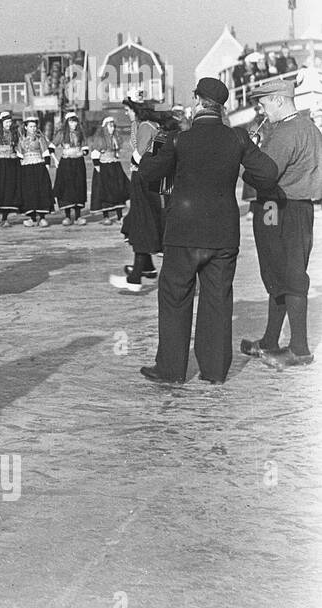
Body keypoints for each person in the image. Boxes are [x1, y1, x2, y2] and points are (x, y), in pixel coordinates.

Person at [133, 79, 278, 384]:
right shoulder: (237, 138)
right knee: (217, 298)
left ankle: (171, 370)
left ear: (198, 100)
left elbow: (148, 173)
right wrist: (241, 163)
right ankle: (214, 371)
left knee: (175, 297)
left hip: (183, 232)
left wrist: (156, 144)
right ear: (221, 106)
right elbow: (267, 173)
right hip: (223, 234)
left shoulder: (177, 140)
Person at [240, 75, 322, 369]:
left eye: (264, 104)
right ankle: (270, 340)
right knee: (277, 270)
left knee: (290, 274)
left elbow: (262, 175)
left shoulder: (289, 131)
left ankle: (299, 348)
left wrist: (247, 154)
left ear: (278, 100)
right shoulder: (300, 126)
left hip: (283, 207)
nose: (262, 111)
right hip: (278, 206)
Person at [111, 99, 170, 291]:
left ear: (136, 110)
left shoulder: (145, 126)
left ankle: (136, 277)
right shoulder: (156, 126)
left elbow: (138, 155)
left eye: (128, 110)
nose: (126, 114)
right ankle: (147, 268)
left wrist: (135, 159)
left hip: (142, 178)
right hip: (153, 179)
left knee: (141, 223)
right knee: (143, 222)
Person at [90, 114, 128, 224]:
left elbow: (117, 151)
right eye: (110, 126)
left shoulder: (115, 138)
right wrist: (98, 167)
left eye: (113, 126)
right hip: (103, 167)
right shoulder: (100, 139)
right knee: (105, 191)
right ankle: (106, 216)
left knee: (118, 189)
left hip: (115, 165)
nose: (112, 129)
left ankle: (119, 215)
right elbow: (95, 154)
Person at [53, 112, 90, 225]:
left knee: (78, 187)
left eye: (75, 121)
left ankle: (78, 216)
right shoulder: (62, 134)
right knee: (67, 188)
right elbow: (50, 147)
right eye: (71, 121)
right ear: (67, 122)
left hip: (78, 163)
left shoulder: (80, 133)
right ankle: (67, 216)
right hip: (66, 164)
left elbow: (85, 148)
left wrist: (82, 151)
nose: (73, 124)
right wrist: (55, 159)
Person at [16, 116, 53, 227]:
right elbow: (19, 155)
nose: (33, 128)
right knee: (29, 191)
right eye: (30, 126)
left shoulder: (40, 139)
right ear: (26, 127)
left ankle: (42, 217)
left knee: (41, 190)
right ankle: (32, 217)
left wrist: (46, 166)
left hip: (39, 166)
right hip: (26, 168)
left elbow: (46, 153)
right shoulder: (21, 140)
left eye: (34, 126)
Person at [0, 111, 21, 227]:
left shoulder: (14, 133)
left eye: (10, 122)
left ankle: (5, 218)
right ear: (1, 122)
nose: (9, 124)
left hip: (11, 163)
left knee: (8, 189)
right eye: (6, 122)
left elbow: (18, 147)